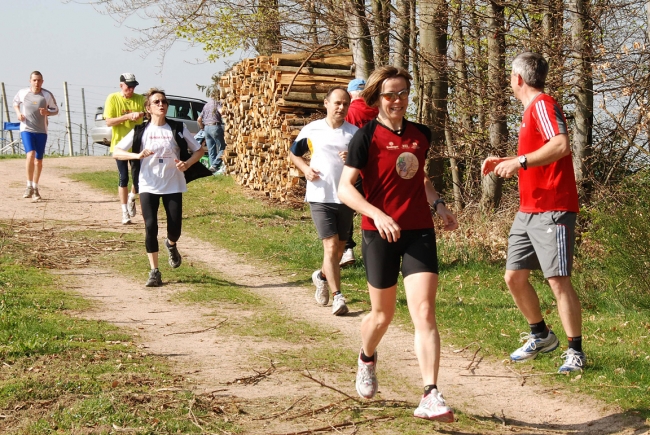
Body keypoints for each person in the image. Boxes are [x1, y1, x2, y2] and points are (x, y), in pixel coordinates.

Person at [338, 66, 458, 422]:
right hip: (379, 233)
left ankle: (430, 393)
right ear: (376, 99)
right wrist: (378, 215)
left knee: (423, 313)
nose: (398, 100)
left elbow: (418, 177)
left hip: (418, 230)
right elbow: (345, 189)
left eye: (403, 92)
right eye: (390, 94)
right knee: (382, 315)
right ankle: (366, 357)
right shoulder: (365, 137)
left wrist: (439, 205)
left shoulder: (422, 134)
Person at [482, 52, 585, 373]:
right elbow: (538, 154)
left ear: (517, 79)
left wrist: (520, 161)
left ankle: (576, 351)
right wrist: (506, 161)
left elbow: (561, 145)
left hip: (552, 209)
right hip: (528, 210)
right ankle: (541, 334)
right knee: (514, 277)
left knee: (558, 280)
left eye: (510, 77)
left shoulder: (542, 104)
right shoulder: (530, 112)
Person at [113, 88, 204, 287]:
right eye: (156, 102)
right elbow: (117, 151)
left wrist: (187, 164)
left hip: (173, 183)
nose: (161, 104)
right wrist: (136, 156)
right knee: (150, 226)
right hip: (147, 184)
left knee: (175, 229)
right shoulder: (141, 131)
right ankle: (154, 271)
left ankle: (171, 245)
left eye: (163, 101)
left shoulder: (177, 127)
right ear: (148, 108)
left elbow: (198, 150)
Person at [289, 86, 358, 316]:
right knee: (330, 246)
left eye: (345, 104)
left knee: (339, 250)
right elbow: (294, 153)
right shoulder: (312, 129)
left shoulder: (354, 133)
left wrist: (352, 159)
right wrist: (305, 169)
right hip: (320, 195)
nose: (341, 107)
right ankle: (339, 296)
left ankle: (320, 276)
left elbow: (366, 164)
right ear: (326, 103)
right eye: (337, 103)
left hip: (346, 196)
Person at [340, 78, 379, 267]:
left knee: (346, 206)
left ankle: (347, 249)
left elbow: (343, 139)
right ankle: (378, 250)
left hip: (355, 167)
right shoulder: (379, 111)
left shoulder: (349, 112)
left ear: (350, 94)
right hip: (378, 169)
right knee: (374, 208)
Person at [104, 73, 146, 224]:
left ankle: (131, 198)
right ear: (121, 85)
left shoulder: (140, 98)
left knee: (138, 178)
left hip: (136, 145)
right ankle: (124, 213)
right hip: (119, 146)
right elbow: (109, 121)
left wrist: (140, 114)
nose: (131, 89)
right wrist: (127, 117)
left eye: (134, 86)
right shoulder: (112, 98)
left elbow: (146, 112)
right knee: (123, 177)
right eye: (129, 86)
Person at [13, 71, 59, 202]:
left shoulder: (47, 95)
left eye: (39, 80)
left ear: (42, 82)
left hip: (41, 131)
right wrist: (18, 113)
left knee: (38, 160)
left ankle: (35, 187)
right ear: (30, 81)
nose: (36, 83)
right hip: (26, 129)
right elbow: (15, 103)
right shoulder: (23, 93)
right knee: (30, 154)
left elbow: (55, 110)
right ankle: (28, 185)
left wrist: (47, 112)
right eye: (34, 80)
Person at [197, 96, 227, 175]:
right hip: (215, 126)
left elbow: (199, 119)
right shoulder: (217, 104)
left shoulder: (206, 105)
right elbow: (221, 112)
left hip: (206, 128)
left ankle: (212, 171)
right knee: (223, 148)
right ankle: (214, 165)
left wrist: (202, 128)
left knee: (211, 150)